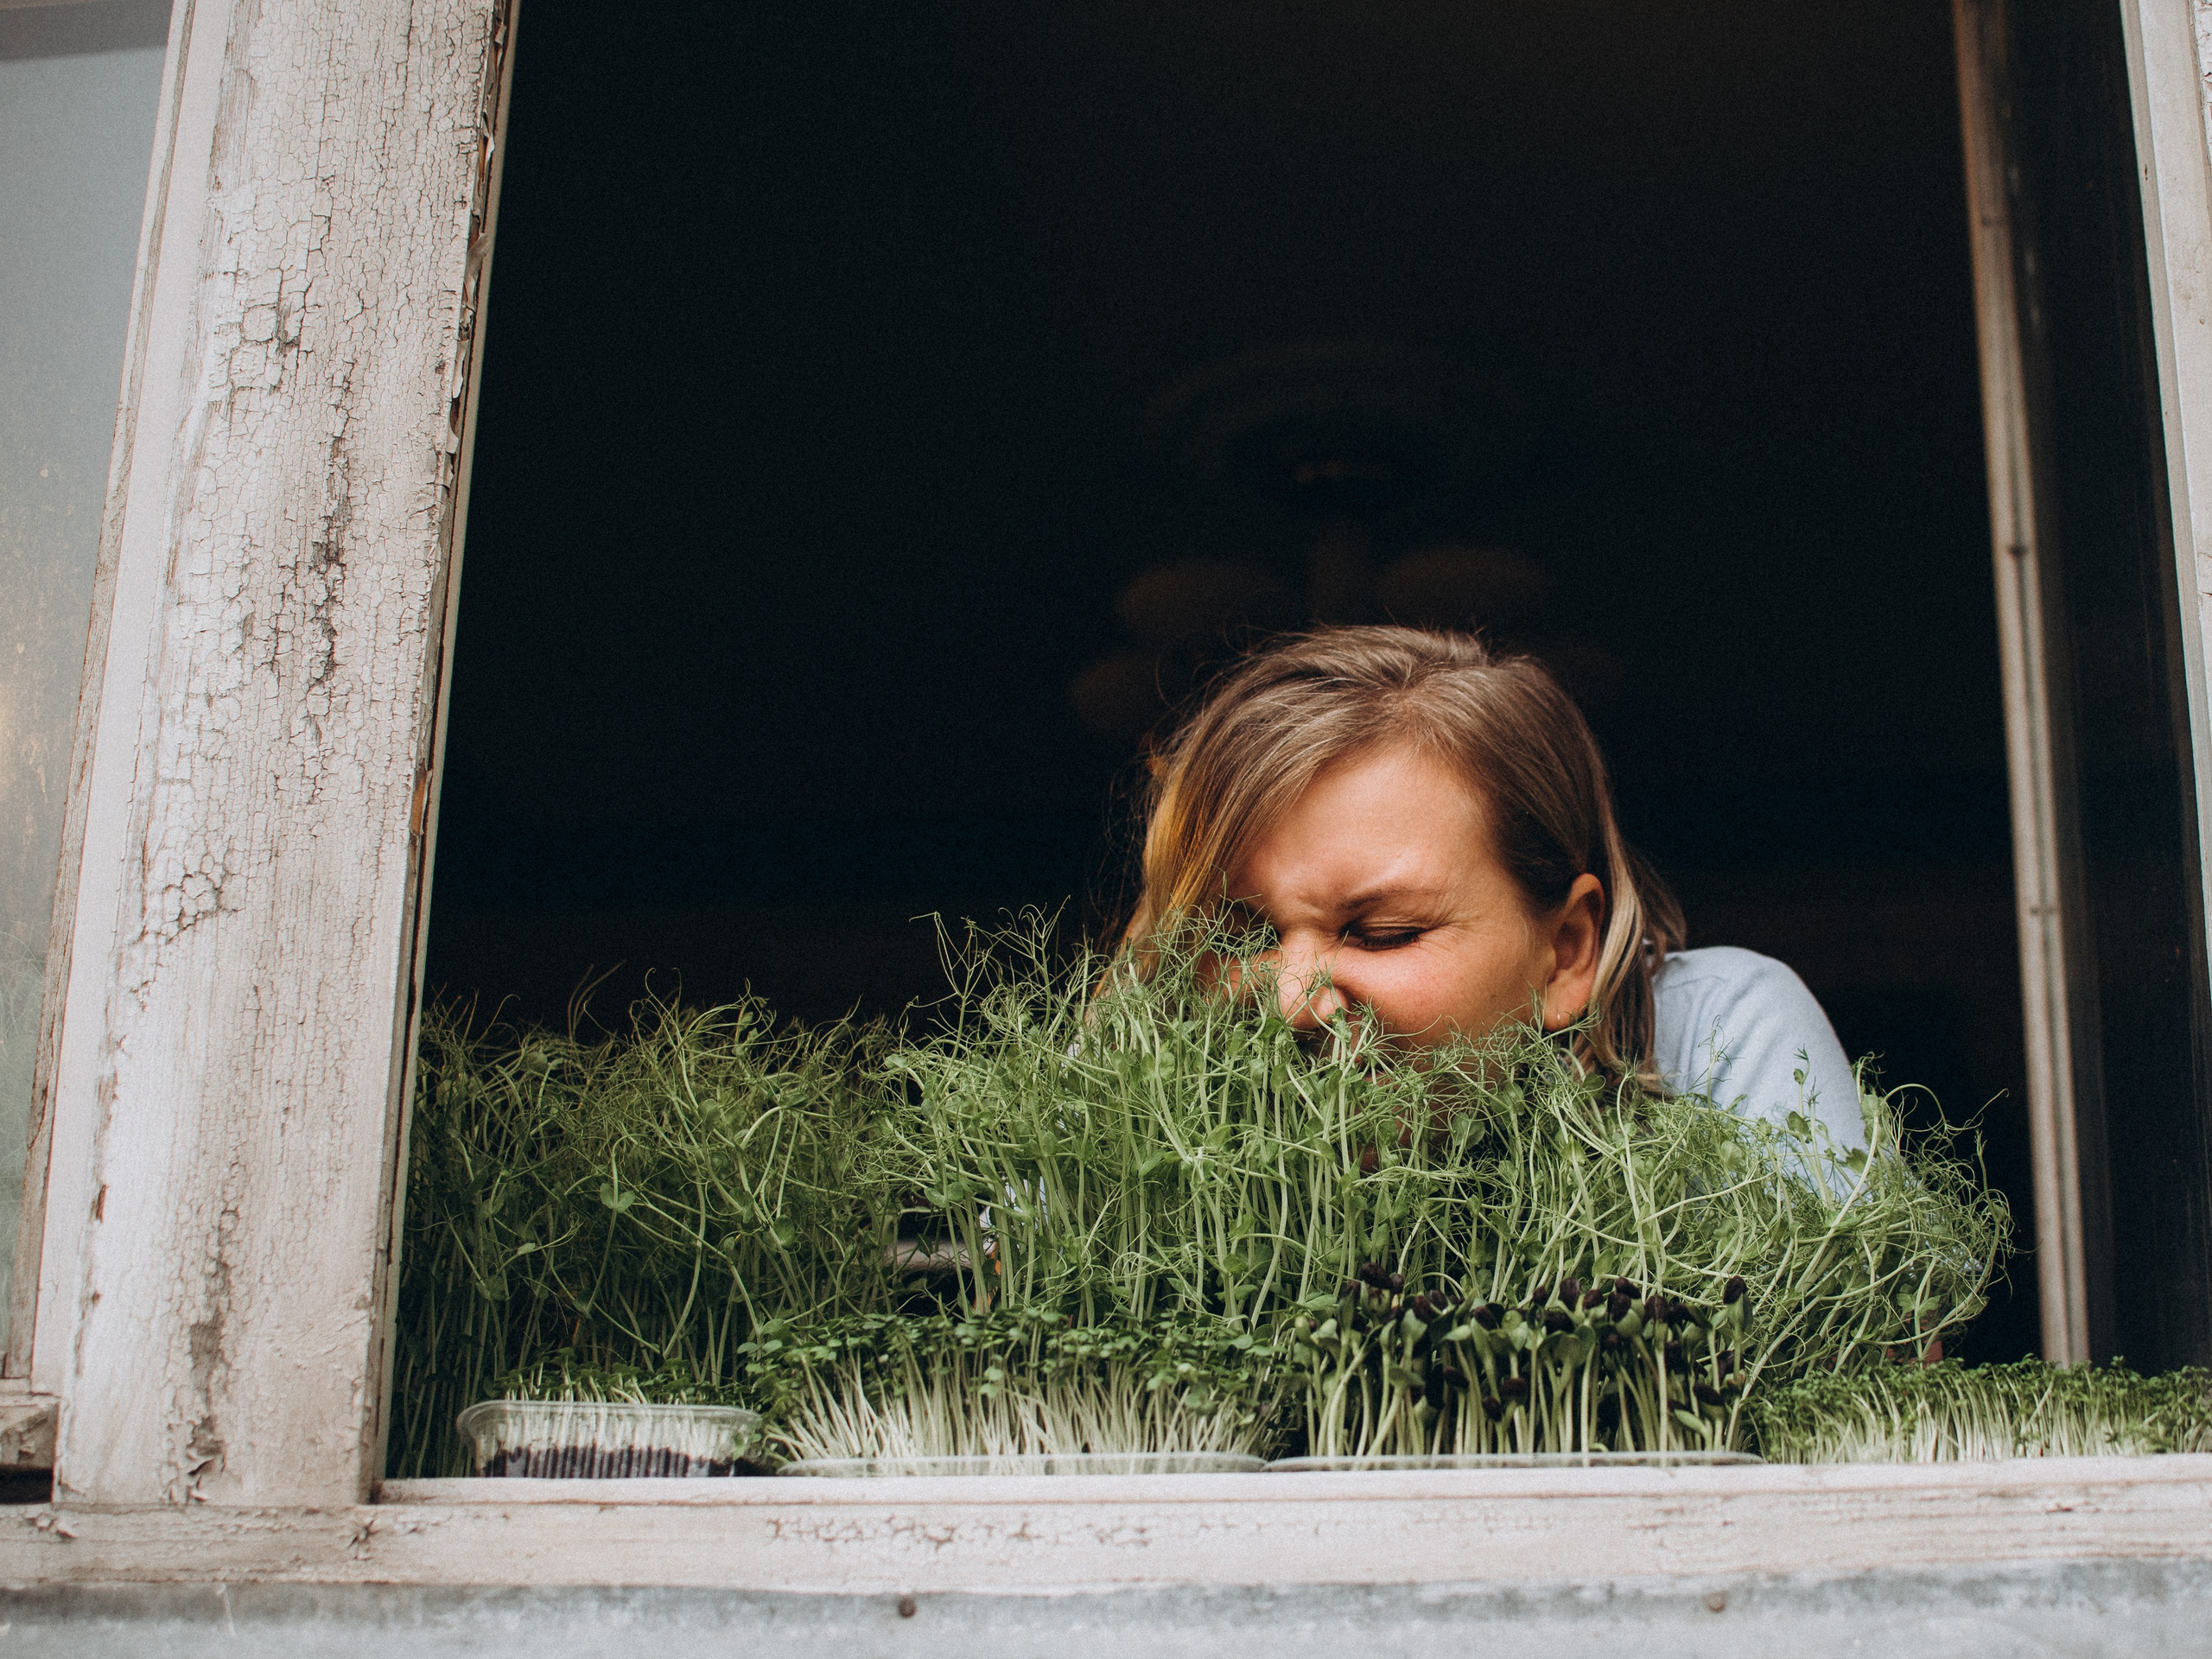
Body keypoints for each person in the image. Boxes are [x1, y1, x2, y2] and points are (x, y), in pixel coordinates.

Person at [1120, 626, 1864, 1148]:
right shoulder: (1148, 1090)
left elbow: (1873, 1364)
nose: (1291, 1006)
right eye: (1239, 935)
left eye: (1381, 933)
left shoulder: (1715, 1031)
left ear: (1567, 950)